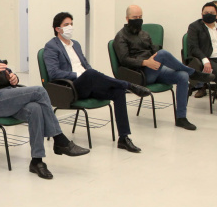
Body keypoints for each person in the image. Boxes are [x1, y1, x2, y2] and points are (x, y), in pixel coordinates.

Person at [0, 23, 89, 180]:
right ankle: (59, 139)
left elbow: (5, 71)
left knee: (35, 109)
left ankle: (37, 161)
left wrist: (12, 78)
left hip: (7, 95)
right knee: (39, 90)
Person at [46, 12, 153, 151]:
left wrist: (87, 74)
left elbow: (86, 65)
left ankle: (124, 138)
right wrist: (78, 74)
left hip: (88, 82)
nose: (70, 27)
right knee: (90, 74)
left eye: (71, 24)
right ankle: (128, 85)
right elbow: (53, 73)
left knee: (118, 91)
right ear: (57, 29)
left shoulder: (75, 44)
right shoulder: (51, 46)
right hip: (71, 87)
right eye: (66, 25)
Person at [114, 5, 214, 130]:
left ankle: (181, 118)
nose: (138, 20)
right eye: (135, 17)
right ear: (127, 18)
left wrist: (155, 54)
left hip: (154, 70)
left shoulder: (144, 34)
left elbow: (152, 50)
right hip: (140, 74)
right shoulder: (121, 37)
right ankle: (193, 73)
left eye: (140, 17)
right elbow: (124, 60)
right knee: (164, 54)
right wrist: (145, 62)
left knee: (182, 76)